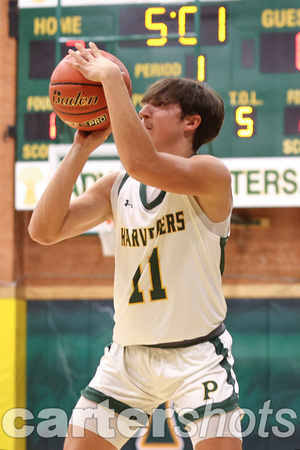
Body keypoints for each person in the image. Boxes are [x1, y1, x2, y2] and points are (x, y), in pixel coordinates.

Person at [28, 42, 243, 450]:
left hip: (197, 357)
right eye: (142, 103)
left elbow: (143, 163)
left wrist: (111, 78)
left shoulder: (210, 174)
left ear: (191, 122)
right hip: (127, 359)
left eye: (158, 105)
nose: (143, 110)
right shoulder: (117, 185)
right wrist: (81, 148)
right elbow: (44, 230)